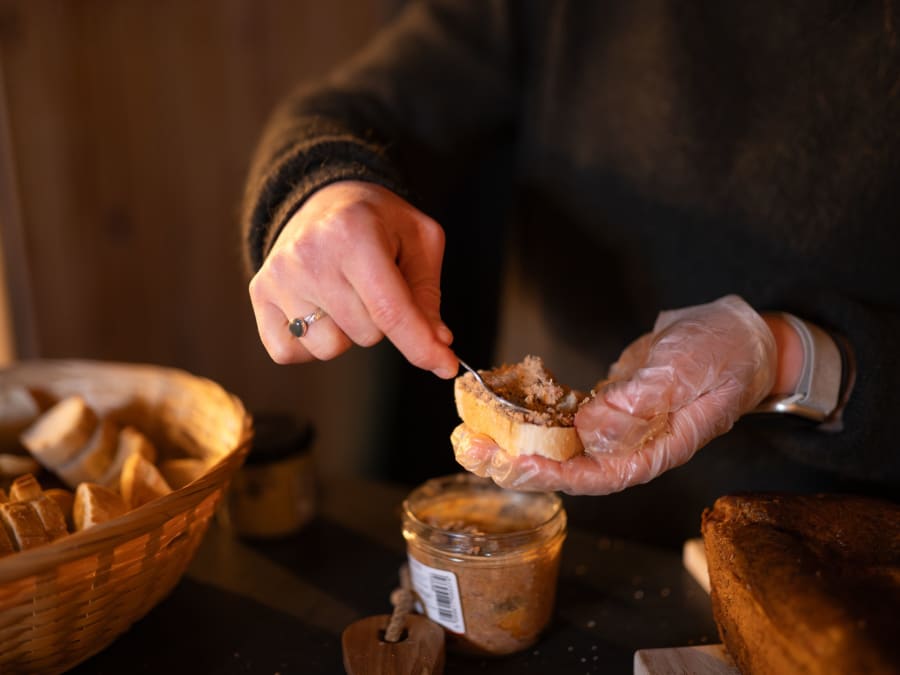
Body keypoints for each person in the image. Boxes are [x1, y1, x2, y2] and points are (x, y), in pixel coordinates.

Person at [242, 0, 900, 541]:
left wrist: (796, 359)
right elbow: (361, 107)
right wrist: (320, 194)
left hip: (828, 570)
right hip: (542, 534)